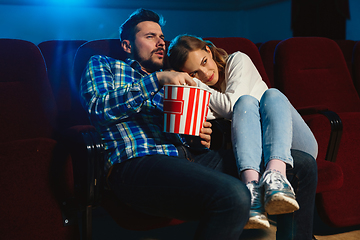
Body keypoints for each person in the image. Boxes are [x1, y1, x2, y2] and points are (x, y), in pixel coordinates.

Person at [80, 8, 317, 240]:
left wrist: (199, 135)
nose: (160, 42)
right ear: (127, 45)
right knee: (235, 195)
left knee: (302, 165)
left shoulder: (177, 77)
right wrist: (157, 80)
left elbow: (195, 125)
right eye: (150, 36)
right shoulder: (105, 64)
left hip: (190, 158)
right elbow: (99, 108)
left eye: (162, 37)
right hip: (137, 162)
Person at [168, 35, 318, 234]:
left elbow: (231, 105)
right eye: (195, 73)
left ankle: (276, 173)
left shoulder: (238, 60)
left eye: (204, 62)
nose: (205, 74)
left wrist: (197, 85)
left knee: (267, 96)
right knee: (245, 103)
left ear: (208, 50)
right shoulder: (206, 92)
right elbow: (203, 116)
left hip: (293, 144)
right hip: (256, 155)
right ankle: (251, 187)